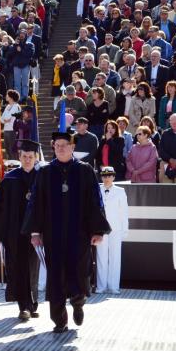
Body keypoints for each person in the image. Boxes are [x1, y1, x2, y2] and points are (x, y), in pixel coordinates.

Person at [23, 131, 111, 333]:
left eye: (65, 144)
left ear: (72, 148)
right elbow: (36, 203)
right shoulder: (45, 173)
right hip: (53, 235)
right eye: (57, 145)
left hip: (78, 235)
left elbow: (95, 202)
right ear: (53, 148)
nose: (61, 148)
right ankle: (59, 319)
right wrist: (35, 232)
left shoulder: (85, 171)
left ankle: (78, 303)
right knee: (55, 276)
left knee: (79, 273)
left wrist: (97, 230)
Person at [0, 139, 41, 320]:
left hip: (36, 233)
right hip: (15, 233)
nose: (27, 159)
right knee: (18, 268)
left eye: (30, 156)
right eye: (24, 156)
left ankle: (33, 303)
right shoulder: (10, 180)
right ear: (19, 157)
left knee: (33, 268)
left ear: (36, 157)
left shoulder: (42, 178)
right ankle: (23, 306)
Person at [95, 166, 128, 294]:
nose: (107, 178)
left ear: (114, 177)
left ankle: (113, 286)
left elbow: (124, 211)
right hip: (101, 229)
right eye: (104, 176)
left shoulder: (120, 191)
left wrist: (125, 229)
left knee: (115, 257)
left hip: (116, 228)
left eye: (109, 176)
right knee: (101, 257)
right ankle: (101, 286)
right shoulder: (97, 189)